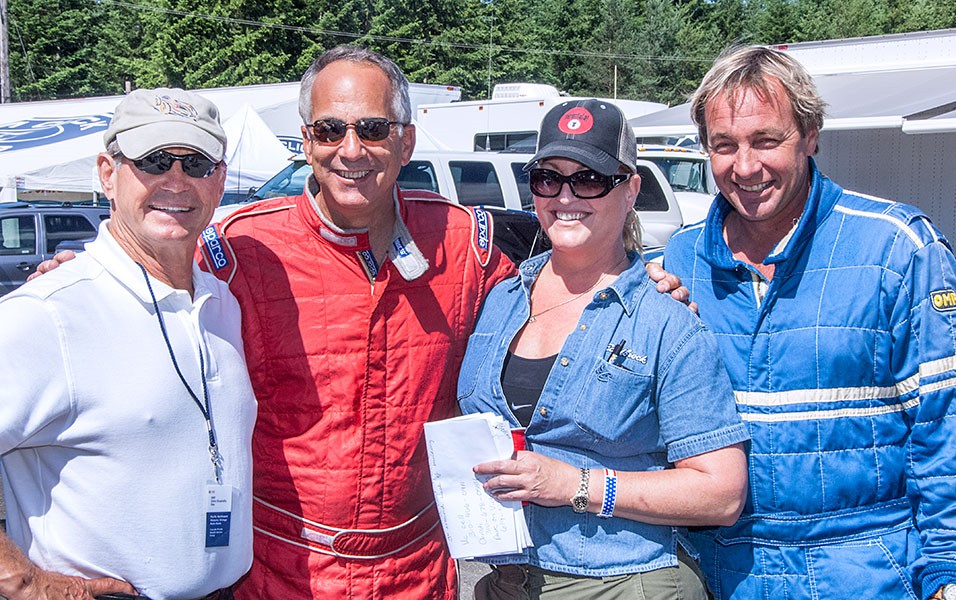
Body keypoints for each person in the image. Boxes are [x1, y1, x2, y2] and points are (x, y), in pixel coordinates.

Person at [664, 45, 956, 600]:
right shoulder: (679, 263)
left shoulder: (897, 248)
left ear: (812, 134)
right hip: (719, 572)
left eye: (766, 140)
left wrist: (947, 568)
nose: (745, 167)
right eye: (724, 146)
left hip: (865, 571)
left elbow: (946, 425)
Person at [457, 98, 750, 599]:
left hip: (621, 583)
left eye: (589, 179)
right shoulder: (498, 298)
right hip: (505, 584)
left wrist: (575, 484)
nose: (565, 195)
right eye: (548, 177)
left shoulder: (666, 321)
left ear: (631, 189)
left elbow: (720, 493)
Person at [0, 88, 256, 599]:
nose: (177, 181)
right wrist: (25, 582)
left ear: (221, 180)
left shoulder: (222, 304)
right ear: (106, 173)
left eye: (198, 163)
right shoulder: (47, 314)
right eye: (154, 160)